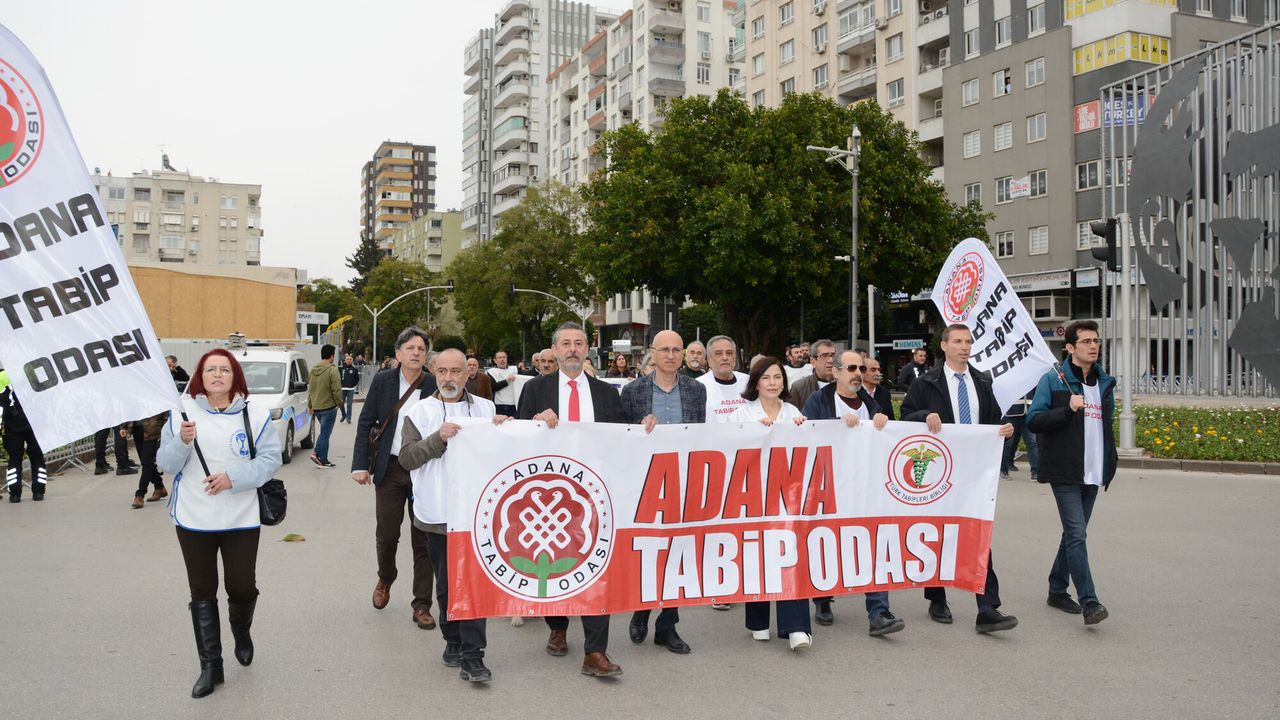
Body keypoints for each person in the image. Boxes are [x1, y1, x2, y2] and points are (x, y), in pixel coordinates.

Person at [156, 348, 283, 698]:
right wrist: (182, 441)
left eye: (224, 370)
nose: (216, 375)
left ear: (235, 376)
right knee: (202, 590)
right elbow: (165, 463)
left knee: (241, 587)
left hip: (240, 515)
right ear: (200, 375)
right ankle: (211, 667)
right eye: (210, 369)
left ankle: (241, 630)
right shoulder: (182, 411)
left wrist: (233, 479)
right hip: (194, 517)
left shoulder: (254, 414)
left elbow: (271, 459)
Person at [517, 322, 624, 678]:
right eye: (566, 344)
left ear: (587, 349)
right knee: (553, 560)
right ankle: (558, 627)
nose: (574, 349)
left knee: (597, 569)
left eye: (579, 343)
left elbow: (624, 439)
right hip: (551, 498)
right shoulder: (535, 389)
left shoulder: (607, 393)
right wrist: (534, 422)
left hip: (596, 497)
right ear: (555, 350)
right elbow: (517, 443)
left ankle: (595, 651)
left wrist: (646, 427)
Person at [900, 324, 1018, 634]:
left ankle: (987, 607)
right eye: (957, 341)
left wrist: (1004, 430)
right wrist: (924, 416)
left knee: (978, 535)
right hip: (940, 473)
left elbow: (993, 420)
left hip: (974, 472)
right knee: (939, 534)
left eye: (968, 341)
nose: (964, 347)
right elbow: (907, 416)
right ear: (944, 345)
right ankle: (937, 597)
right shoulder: (927, 383)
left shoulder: (981, 381)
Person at [399, 348, 507, 683]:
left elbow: (501, 454)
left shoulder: (486, 409)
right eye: (442, 371)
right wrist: (438, 438)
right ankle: (453, 639)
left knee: (474, 584)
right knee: (446, 585)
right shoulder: (419, 412)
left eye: (456, 371)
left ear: (467, 374)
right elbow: (406, 458)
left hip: (478, 514)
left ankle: (473, 656)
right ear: (433, 371)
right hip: (437, 513)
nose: (449, 378)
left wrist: (503, 431)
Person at [801, 350, 900, 633]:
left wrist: (882, 423)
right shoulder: (818, 401)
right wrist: (837, 427)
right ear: (836, 372)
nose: (858, 373)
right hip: (828, 487)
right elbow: (807, 434)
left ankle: (879, 612)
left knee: (875, 545)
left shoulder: (874, 400)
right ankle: (822, 598)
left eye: (861, 368)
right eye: (852, 368)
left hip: (867, 487)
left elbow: (889, 438)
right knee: (827, 543)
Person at [621, 330, 706, 655]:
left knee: (678, 554)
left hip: (684, 483)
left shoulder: (696, 391)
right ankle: (642, 608)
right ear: (652, 354)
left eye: (676, 350)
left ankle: (667, 625)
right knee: (649, 551)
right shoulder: (632, 392)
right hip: (646, 484)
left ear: (683, 354)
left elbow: (701, 437)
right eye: (664, 350)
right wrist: (639, 429)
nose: (670, 355)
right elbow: (621, 437)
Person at [1027, 320, 1116, 626]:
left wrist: (1108, 462)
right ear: (1070, 347)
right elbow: (1034, 420)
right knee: (1078, 534)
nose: (1094, 346)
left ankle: (1056, 587)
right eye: (1087, 341)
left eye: (1096, 341)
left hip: (1093, 471)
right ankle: (1090, 601)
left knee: (1072, 534)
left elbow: (1107, 426)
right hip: (1065, 470)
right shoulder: (1054, 380)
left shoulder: (1105, 382)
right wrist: (1068, 410)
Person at [351, 327, 440, 630]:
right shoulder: (383, 381)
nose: (416, 353)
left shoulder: (433, 383)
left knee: (424, 539)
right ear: (398, 353)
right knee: (387, 534)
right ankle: (385, 577)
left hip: (424, 470)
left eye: (421, 348)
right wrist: (360, 465)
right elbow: (366, 422)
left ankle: (422, 604)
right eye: (410, 348)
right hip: (390, 469)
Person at [729, 357, 812, 651]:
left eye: (778, 377)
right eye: (766, 378)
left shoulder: (792, 411)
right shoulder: (741, 413)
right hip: (752, 497)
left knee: (790, 554)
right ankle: (758, 621)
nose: (773, 383)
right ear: (756, 382)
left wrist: (803, 429)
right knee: (757, 556)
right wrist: (752, 434)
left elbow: (807, 451)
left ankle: (797, 628)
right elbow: (726, 450)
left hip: (788, 497)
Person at [2, 370, 46, 503]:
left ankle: (15, 494)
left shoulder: (2, 376)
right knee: (37, 457)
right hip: (34, 421)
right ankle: (38, 492)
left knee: (14, 458)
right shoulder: (30, 370)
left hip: (13, 423)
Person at [696, 335, 749, 422]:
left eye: (729, 353)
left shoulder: (748, 381)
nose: (725, 358)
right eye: (718, 353)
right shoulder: (698, 385)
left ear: (734, 358)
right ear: (709, 360)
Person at [125, 411, 170, 509]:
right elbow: (129, 407)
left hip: (153, 431)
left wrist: (166, 430)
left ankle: (140, 494)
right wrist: (124, 427)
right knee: (146, 462)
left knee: (146, 463)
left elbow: (165, 409)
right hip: (137, 429)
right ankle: (159, 487)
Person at [308, 344, 343, 469]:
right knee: (325, 433)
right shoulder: (332, 370)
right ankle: (316, 453)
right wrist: (339, 403)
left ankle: (323, 460)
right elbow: (336, 390)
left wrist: (310, 405)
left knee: (324, 433)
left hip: (317, 407)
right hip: (329, 407)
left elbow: (310, 389)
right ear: (332, 356)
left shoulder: (313, 369)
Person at [1000, 391, 1039, 480]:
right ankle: (1003, 470)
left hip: (1028, 413)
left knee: (1033, 442)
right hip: (1010, 413)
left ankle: (1036, 472)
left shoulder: (1031, 378)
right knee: (1008, 443)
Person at [787, 339, 836, 410]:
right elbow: (792, 416)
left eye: (833, 355)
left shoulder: (844, 385)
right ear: (813, 362)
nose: (830, 360)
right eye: (824, 356)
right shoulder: (799, 388)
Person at [485, 350, 519, 416]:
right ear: (495, 360)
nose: (502, 359)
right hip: (499, 405)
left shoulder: (515, 369)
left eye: (504, 357)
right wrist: (507, 380)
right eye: (500, 358)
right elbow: (494, 387)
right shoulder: (490, 372)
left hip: (513, 404)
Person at [862, 354, 894, 420]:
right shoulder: (854, 392)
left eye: (879, 370)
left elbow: (891, 420)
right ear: (862, 372)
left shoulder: (885, 393)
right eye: (873, 370)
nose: (878, 373)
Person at [340, 355, 361, 424]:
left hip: (350, 389)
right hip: (342, 389)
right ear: (345, 360)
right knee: (340, 404)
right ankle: (344, 415)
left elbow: (357, 379)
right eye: (347, 359)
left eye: (350, 359)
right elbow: (337, 378)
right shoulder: (341, 369)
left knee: (349, 405)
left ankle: (349, 418)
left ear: (351, 361)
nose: (349, 360)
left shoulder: (354, 369)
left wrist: (353, 384)